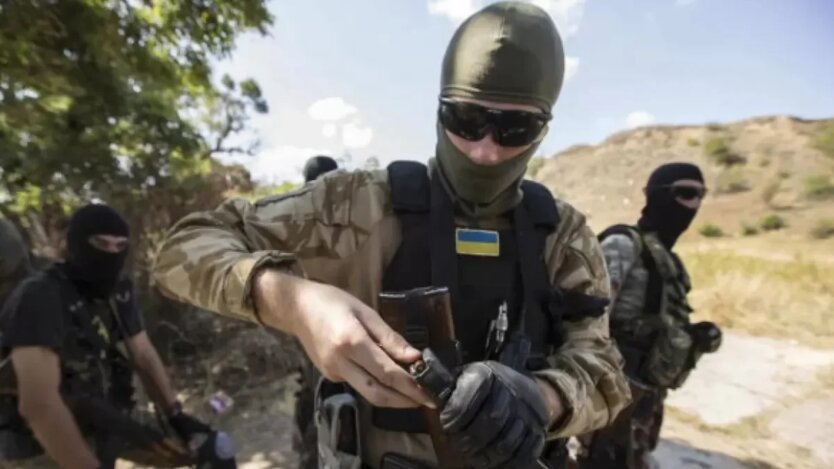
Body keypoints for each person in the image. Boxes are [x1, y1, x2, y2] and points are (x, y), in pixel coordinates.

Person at [151, 3, 630, 468]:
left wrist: (541, 400)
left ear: (545, 127)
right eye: (467, 119)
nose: (485, 151)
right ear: (440, 108)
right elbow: (183, 248)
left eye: (515, 126)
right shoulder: (353, 206)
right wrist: (293, 302)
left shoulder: (562, 235)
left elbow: (605, 371)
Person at [0, 204, 235, 469]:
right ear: (77, 244)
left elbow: (143, 354)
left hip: (106, 414)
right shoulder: (39, 296)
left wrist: (176, 416)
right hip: (39, 443)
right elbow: (40, 406)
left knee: (212, 449)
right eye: (101, 244)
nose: (110, 255)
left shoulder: (114, 289)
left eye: (120, 246)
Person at [578, 163, 723, 469]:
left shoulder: (666, 258)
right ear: (658, 195)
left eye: (700, 195)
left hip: (648, 389)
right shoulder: (624, 244)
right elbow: (587, 321)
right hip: (615, 388)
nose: (694, 204)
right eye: (685, 193)